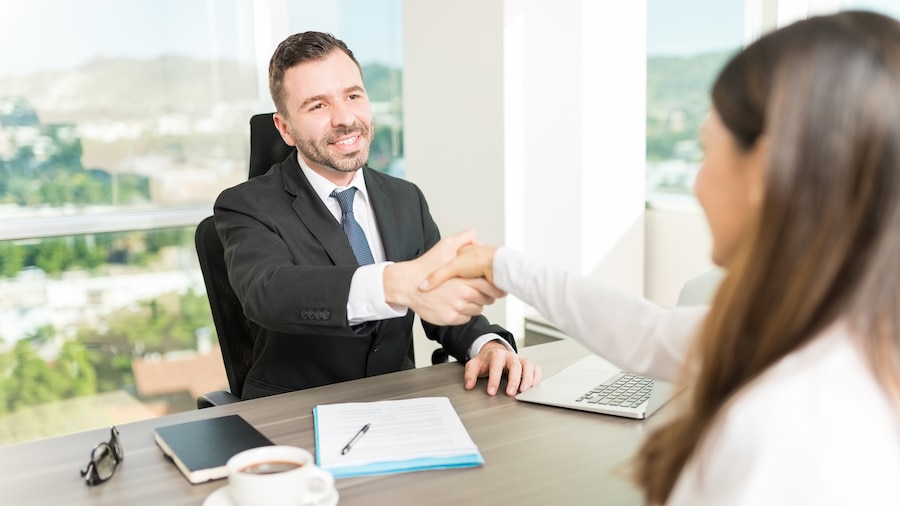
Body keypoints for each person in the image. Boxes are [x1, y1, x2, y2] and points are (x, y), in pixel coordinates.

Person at [423, 11, 900, 505]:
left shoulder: (781, 428)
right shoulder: (833, 332)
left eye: (706, 151)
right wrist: (501, 264)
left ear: (765, 172)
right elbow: (646, 333)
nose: (697, 183)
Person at [214, 31, 540, 400]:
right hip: (294, 415)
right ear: (285, 128)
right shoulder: (245, 205)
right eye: (317, 106)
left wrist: (486, 345)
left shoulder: (405, 198)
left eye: (352, 96)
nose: (344, 118)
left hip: (398, 405)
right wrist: (395, 282)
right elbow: (268, 292)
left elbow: (439, 298)